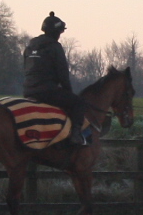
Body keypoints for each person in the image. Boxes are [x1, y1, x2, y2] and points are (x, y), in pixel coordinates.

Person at [21, 12, 93, 147]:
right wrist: (69, 93)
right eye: (60, 32)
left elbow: (25, 69)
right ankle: (76, 135)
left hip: (28, 91)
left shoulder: (29, 46)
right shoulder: (55, 47)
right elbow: (63, 74)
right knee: (78, 103)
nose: (60, 35)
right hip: (47, 92)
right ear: (56, 32)